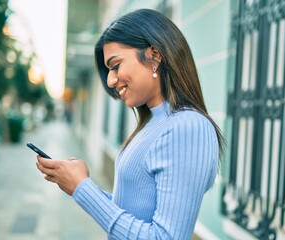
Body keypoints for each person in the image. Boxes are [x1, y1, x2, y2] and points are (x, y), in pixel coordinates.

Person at [36, 8, 225, 240]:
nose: (110, 80)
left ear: (155, 56)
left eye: (115, 65)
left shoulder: (187, 127)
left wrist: (81, 188)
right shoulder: (153, 123)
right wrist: (81, 184)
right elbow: (133, 213)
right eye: (108, 70)